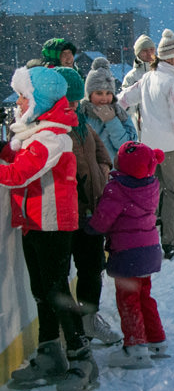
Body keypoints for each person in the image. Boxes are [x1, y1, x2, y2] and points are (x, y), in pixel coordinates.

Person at [1, 67, 98, 391]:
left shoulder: (52, 137)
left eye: (23, 96)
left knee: (56, 291)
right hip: (34, 222)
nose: (17, 101)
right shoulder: (34, 132)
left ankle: (80, 356)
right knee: (41, 290)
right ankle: (49, 352)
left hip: (53, 224)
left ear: (38, 102)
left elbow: (18, 174)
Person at [117, 28, 174, 259]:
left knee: (151, 193)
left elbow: (123, 99)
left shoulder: (147, 78)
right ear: (169, 58)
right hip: (172, 149)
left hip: (149, 149)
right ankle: (170, 242)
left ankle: (148, 239)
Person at [86, 141, 168, 369]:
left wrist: (89, 227)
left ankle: (135, 348)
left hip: (127, 254)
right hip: (148, 251)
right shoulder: (151, 185)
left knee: (128, 301)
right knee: (145, 297)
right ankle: (156, 340)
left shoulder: (116, 189)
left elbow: (102, 221)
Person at [55, 66, 122, 346]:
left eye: (72, 99)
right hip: (65, 213)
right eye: (66, 100)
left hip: (91, 210)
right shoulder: (54, 128)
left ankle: (89, 319)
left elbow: (102, 152)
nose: (70, 105)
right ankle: (71, 331)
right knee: (60, 274)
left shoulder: (81, 126)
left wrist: (103, 169)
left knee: (92, 267)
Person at [81, 57, 138, 160]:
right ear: (89, 95)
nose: (104, 98)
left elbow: (128, 147)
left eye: (108, 93)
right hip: (89, 171)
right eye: (99, 93)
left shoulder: (120, 114)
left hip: (114, 171)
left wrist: (111, 121)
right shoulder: (82, 114)